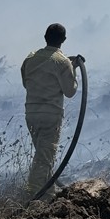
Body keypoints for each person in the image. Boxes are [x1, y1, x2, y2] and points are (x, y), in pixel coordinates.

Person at [20, 22, 81, 199]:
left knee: (43, 156)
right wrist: (73, 70)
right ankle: (33, 200)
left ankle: (50, 194)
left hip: (31, 114)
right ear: (64, 40)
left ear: (45, 38)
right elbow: (70, 91)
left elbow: (26, 83)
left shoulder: (30, 58)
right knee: (44, 159)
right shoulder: (62, 62)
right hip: (50, 116)